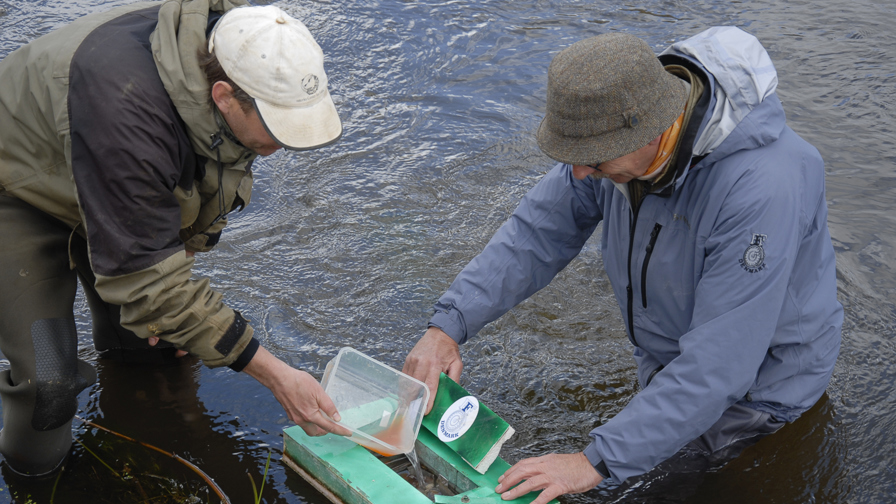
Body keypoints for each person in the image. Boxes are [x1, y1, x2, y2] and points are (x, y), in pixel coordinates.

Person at [404, 27, 843, 503]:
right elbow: (534, 234)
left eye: (589, 158)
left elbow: (719, 366)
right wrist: (446, 327)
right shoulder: (613, 143)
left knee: (612, 492)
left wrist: (594, 462)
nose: (578, 173)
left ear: (650, 130)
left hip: (759, 387)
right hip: (672, 358)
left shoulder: (762, 188)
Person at [0, 1, 351, 477]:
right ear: (224, 96)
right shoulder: (127, 111)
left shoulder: (242, 46)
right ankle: (36, 481)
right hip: (20, 190)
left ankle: (146, 439)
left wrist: (180, 310)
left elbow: (213, 178)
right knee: (50, 385)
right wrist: (277, 375)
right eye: (276, 129)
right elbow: (148, 284)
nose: (282, 145)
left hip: (110, 175)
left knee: (159, 341)